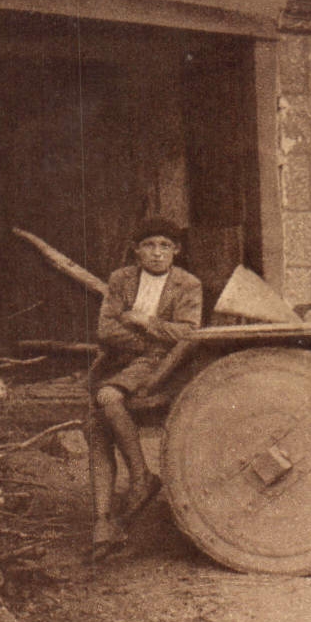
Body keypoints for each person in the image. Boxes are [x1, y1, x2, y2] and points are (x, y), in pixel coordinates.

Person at [85, 217, 203, 557]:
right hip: (118, 361)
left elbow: (188, 332)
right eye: (149, 245)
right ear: (136, 251)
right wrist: (153, 336)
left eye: (165, 246)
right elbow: (106, 330)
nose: (156, 253)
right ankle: (103, 520)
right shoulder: (121, 279)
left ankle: (141, 476)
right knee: (94, 426)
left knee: (108, 398)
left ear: (176, 251)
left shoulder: (188, 284)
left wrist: (144, 320)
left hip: (162, 366)